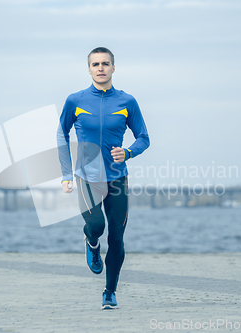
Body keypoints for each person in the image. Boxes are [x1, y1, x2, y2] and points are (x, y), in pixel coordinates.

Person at [57, 47, 150, 309]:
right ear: (89, 69)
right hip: (87, 177)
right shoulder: (75, 100)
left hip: (117, 178)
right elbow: (61, 134)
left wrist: (128, 152)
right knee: (96, 225)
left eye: (105, 63)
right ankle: (91, 241)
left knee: (117, 238)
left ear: (113, 68)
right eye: (96, 64)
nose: (101, 68)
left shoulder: (126, 102)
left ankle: (110, 291)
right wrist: (66, 174)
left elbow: (144, 137)